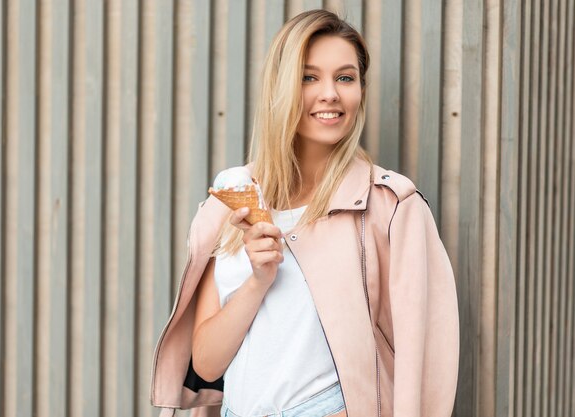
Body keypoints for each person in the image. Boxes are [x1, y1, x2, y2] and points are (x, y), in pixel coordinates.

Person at [151, 9, 459, 417]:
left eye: (345, 78)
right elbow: (206, 364)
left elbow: (428, 360)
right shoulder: (234, 200)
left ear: (360, 91)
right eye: (308, 77)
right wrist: (259, 279)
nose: (330, 93)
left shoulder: (390, 206)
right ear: (280, 88)